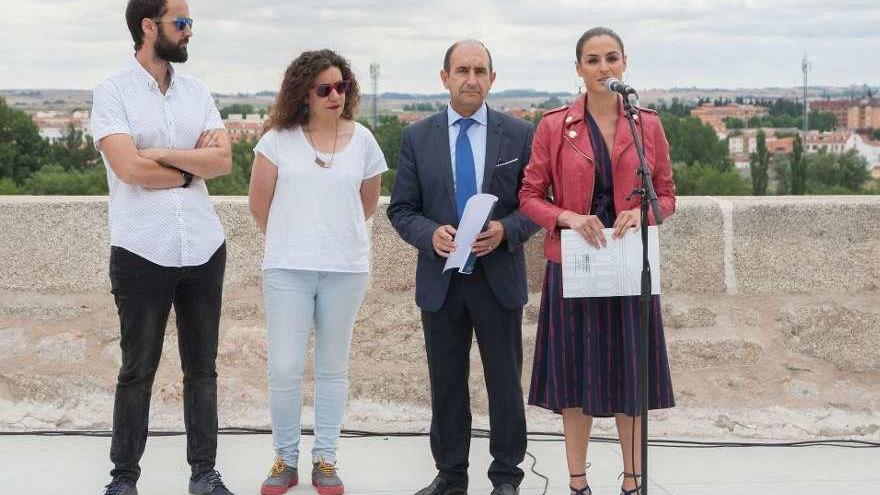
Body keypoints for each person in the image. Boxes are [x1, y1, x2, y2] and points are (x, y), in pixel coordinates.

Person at [518, 27, 676, 495]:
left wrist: (641, 212)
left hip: (630, 267)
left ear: (624, 63)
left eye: (611, 58)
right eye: (592, 60)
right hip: (574, 268)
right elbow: (528, 196)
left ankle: (632, 482)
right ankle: (577, 482)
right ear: (579, 69)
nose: (603, 68)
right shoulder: (554, 126)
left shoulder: (647, 124)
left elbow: (666, 196)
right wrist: (565, 215)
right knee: (574, 381)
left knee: (632, 380)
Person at [90, 1, 235, 494]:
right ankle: (124, 478)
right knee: (137, 371)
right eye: (182, 22)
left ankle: (204, 474)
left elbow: (224, 161)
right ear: (149, 26)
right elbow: (129, 170)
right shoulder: (112, 92)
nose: (190, 31)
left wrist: (164, 154)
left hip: (203, 247)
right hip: (140, 250)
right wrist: (192, 166)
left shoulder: (197, 91)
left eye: (190, 22)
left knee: (203, 370)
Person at [387, 40, 538, 495]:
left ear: (493, 78)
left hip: (498, 282)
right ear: (445, 77)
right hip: (442, 282)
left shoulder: (519, 134)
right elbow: (402, 210)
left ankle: (506, 478)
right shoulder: (418, 137)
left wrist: (508, 230)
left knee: (505, 386)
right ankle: (451, 477)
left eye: (480, 71)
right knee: (447, 385)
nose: (471, 79)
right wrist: (430, 235)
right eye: (462, 70)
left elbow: (537, 204)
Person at [248, 49, 386, 495]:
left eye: (341, 86)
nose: (335, 95)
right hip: (287, 269)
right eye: (324, 88)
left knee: (332, 367)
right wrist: (295, 240)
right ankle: (285, 460)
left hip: (345, 270)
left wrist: (331, 239)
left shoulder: (364, 140)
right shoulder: (276, 141)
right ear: (303, 93)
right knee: (285, 368)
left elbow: (365, 204)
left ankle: (325, 459)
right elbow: (258, 205)